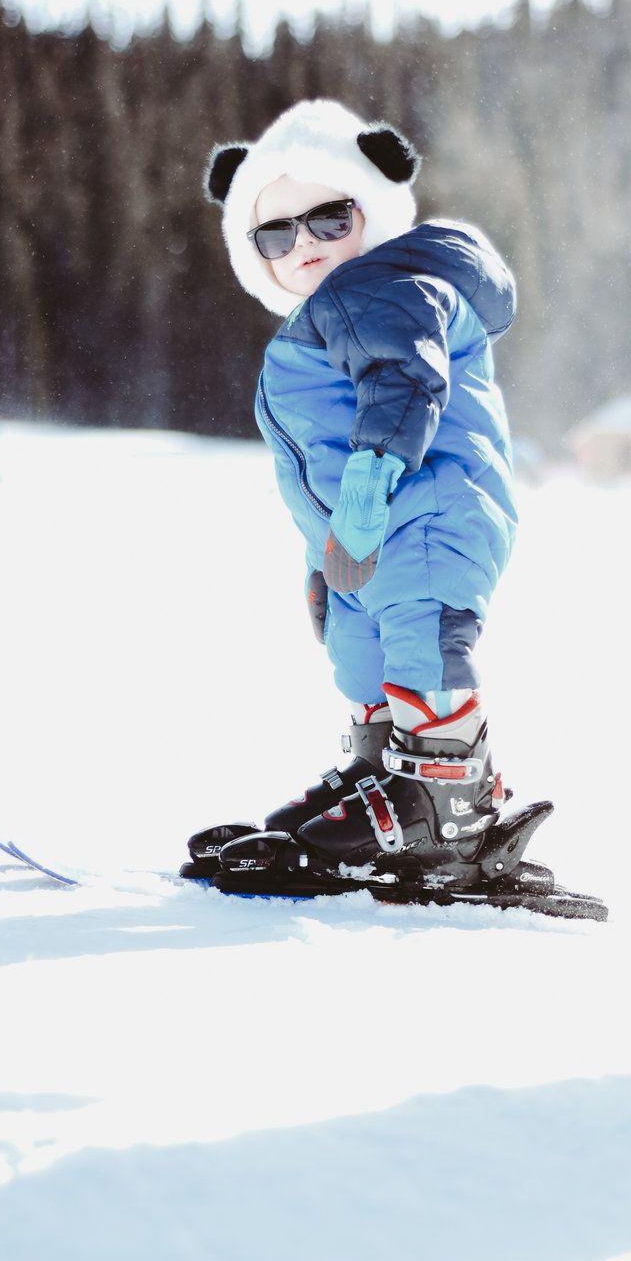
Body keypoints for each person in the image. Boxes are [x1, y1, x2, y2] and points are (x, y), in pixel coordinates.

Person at [202, 97, 519, 871]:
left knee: (420, 635)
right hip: (363, 533)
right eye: (276, 232)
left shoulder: (387, 286)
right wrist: (323, 554)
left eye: (329, 219)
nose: (303, 244)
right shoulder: (327, 315)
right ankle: (385, 771)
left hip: (423, 511)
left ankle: (447, 802)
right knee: (359, 649)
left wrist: (369, 490)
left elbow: (404, 381)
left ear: (373, 209)